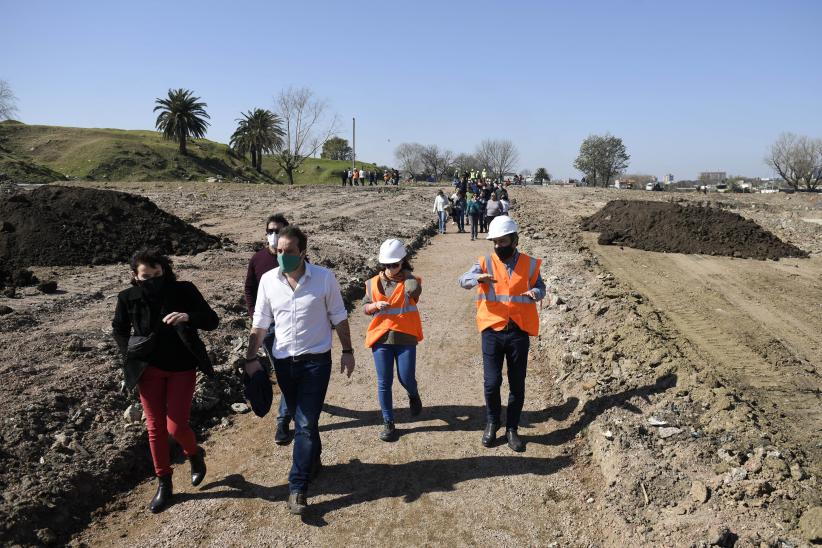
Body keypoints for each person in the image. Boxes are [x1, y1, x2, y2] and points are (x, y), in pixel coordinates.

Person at [244, 225, 355, 515]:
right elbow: (260, 322)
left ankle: (297, 487)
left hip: (316, 362)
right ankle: (313, 460)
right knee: (304, 418)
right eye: (279, 251)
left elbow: (339, 317)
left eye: (289, 251)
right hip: (283, 363)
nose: (282, 256)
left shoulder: (323, 278)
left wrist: (347, 351)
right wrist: (250, 357)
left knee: (304, 423)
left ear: (303, 251)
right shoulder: (268, 281)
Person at [112, 249, 219, 513]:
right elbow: (119, 329)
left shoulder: (183, 290)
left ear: (165, 270)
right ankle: (164, 483)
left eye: (157, 274)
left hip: (182, 367)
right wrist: (130, 352)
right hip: (148, 370)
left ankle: (194, 454)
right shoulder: (127, 298)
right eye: (146, 276)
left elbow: (211, 321)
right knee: (155, 428)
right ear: (135, 277)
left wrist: (188, 317)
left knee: (176, 427)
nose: (153, 280)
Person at [459, 216, 545, 452]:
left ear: (514, 241)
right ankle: (492, 422)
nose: (498, 246)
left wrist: (537, 292)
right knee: (492, 382)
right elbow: (463, 280)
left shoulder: (529, 263)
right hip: (492, 331)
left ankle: (512, 428)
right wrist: (477, 277)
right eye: (495, 242)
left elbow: (540, 285)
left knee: (517, 384)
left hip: (518, 332)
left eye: (503, 241)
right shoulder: (485, 262)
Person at [362, 239, 424, 441]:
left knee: (406, 378)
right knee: (384, 382)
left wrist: (407, 275)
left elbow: (414, 292)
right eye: (387, 265)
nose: (390, 269)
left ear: (402, 261)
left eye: (395, 264)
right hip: (381, 338)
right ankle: (388, 422)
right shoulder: (372, 283)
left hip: (405, 337)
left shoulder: (410, 281)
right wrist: (373, 306)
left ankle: (413, 394)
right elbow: (365, 307)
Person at [244, 214, 293, 445]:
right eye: (270, 230)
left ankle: (287, 415)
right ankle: (284, 421)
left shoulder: (294, 258)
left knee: (293, 373)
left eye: (279, 231)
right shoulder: (257, 259)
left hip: (292, 325)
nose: (274, 235)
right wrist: (255, 314)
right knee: (283, 373)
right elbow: (249, 288)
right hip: (269, 328)